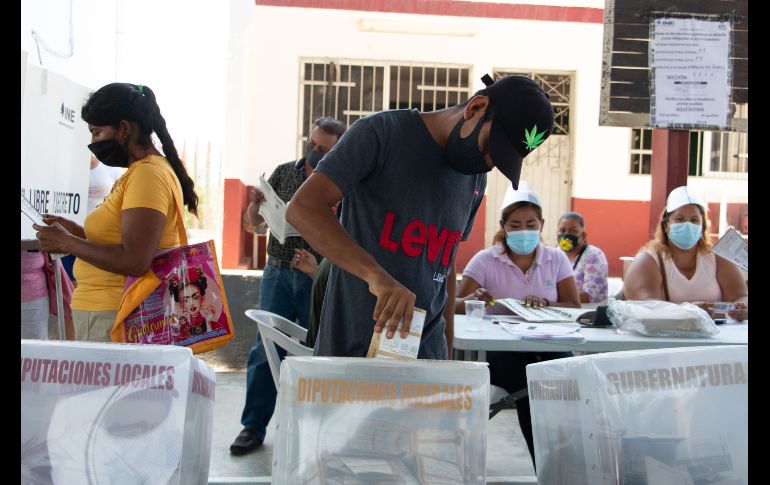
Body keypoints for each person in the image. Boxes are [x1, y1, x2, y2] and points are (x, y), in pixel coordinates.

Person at [286, 74, 555, 362]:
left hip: (426, 358)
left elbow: (446, 264)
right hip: (353, 355)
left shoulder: (475, 177)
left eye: (499, 161)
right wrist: (376, 276)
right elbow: (303, 208)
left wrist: (446, 354)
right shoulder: (382, 133)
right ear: (476, 107)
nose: (488, 163)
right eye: (490, 148)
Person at [33, 83, 199, 342]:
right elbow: (121, 242)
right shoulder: (140, 172)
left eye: (97, 132)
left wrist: (68, 242)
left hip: (116, 316)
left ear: (124, 128)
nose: (93, 143)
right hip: (111, 313)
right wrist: (75, 234)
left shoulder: (148, 174)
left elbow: (134, 259)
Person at [230, 116, 346, 456]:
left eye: (324, 149)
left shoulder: (344, 184)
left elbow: (347, 239)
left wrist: (319, 266)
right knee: (264, 351)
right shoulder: (284, 173)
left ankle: (317, 432)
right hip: (278, 274)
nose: (314, 151)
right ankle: (253, 427)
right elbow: (252, 225)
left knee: (321, 352)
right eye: (312, 143)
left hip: (318, 277)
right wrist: (254, 206)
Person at [454, 184, 579, 466]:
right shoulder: (485, 261)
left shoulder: (556, 259)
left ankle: (569, 465)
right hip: (501, 350)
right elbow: (454, 306)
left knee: (571, 379)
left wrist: (546, 305)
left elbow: (573, 306)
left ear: (542, 225)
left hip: (548, 343)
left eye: (531, 224)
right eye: (516, 225)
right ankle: (547, 468)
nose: (524, 231)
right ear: (504, 227)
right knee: (531, 387)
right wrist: (473, 298)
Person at [623, 186, 748, 320]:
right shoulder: (648, 261)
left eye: (694, 220)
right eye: (680, 219)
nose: (687, 225)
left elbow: (740, 296)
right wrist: (688, 311)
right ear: (666, 226)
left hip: (716, 337)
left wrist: (741, 308)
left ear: (702, 227)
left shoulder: (718, 259)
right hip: (666, 339)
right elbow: (645, 308)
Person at [556, 211, 609, 303]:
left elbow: (588, 296)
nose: (566, 235)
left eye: (573, 231)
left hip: (588, 312)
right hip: (561, 308)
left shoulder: (594, 256)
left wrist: (553, 299)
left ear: (583, 235)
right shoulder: (556, 254)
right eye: (562, 230)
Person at [168, 265, 221, 338]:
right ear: (181, 305)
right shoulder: (182, 329)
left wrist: (208, 322)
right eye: (185, 300)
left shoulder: (213, 325)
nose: (192, 303)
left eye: (195, 297)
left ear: (202, 299)